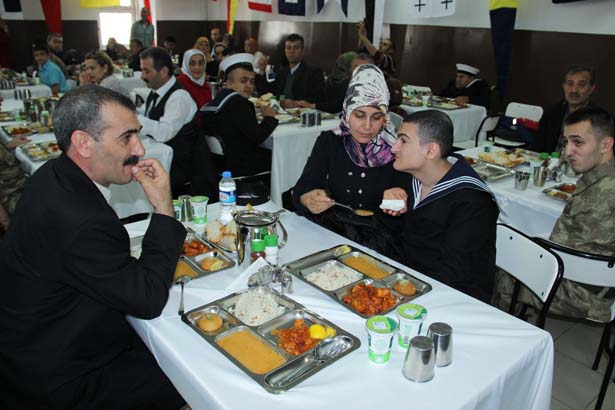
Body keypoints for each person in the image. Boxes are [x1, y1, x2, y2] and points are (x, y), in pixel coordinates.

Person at [0, 85, 186, 409]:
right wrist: (163, 209)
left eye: (137, 134)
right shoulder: (80, 219)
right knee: (188, 369)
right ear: (83, 143)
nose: (140, 149)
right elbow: (147, 299)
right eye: (126, 137)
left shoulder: (53, 173)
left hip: (36, 341)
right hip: (61, 375)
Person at [494, 107, 615, 321]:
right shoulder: (602, 177)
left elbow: (562, 254)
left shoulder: (605, 193)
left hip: (586, 292)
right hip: (591, 279)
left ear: (605, 145)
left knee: (499, 267)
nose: (568, 151)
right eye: (567, 142)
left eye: (578, 142)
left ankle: (501, 329)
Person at [379, 110, 499, 303]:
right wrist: (388, 199)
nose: (394, 148)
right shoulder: (410, 176)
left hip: (455, 298)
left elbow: (455, 273)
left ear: (431, 151)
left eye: (403, 140)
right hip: (410, 277)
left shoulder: (472, 202)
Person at [292, 64, 405, 241]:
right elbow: (303, 189)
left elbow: (413, 205)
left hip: (381, 236)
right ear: (346, 111)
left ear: (385, 118)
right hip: (334, 229)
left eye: (376, 117)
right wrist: (308, 199)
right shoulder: (330, 141)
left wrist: (401, 198)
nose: (367, 126)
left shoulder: (397, 148)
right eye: (359, 115)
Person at [200, 53, 278, 177]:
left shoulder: (214, 102)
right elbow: (258, 136)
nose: (249, 85)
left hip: (217, 165)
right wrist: (270, 117)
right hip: (241, 165)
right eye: (243, 80)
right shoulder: (239, 103)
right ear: (229, 83)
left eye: (252, 81)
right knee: (280, 155)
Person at [139, 47, 199, 196]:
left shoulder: (179, 97)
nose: (142, 76)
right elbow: (143, 113)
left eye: (147, 71)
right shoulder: (156, 92)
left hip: (179, 168)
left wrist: (135, 119)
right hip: (161, 162)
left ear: (164, 71)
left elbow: (164, 133)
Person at [534, 65, 598, 154]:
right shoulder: (551, 112)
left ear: (591, 88)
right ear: (563, 86)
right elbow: (538, 148)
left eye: (581, 85)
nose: (574, 90)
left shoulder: (599, 119)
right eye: (570, 84)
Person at [255, 33, 325, 109]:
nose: (292, 51)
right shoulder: (281, 71)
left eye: (296, 48)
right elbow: (267, 94)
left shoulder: (314, 72)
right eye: (288, 48)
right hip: (280, 112)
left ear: (302, 51)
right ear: (285, 51)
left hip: (301, 113)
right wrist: (262, 71)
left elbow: (318, 98)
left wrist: (296, 103)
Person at [297, 52, 374, 114]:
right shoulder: (344, 82)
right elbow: (330, 101)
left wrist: (312, 106)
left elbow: (338, 105)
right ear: (350, 68)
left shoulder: (373, 87)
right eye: (356, 66)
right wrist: (307, 104)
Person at [177, 49, 212, 115]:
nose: (197, 67)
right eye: (192, 64)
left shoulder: (205, 86)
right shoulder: (179, 83)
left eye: (200, 63)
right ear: (186, 65)